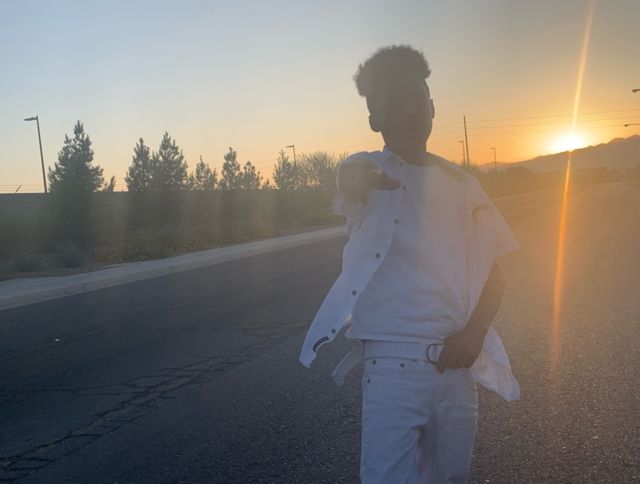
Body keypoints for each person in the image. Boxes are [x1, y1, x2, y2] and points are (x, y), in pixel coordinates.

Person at [299, 45, 520, 483]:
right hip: (391, 370)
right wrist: (355, 180)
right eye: (392, 102)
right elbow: (349, 179)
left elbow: (495, 276)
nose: (408, 110)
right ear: (374, 119)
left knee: (451, 477)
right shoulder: (371, 173)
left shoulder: (463, 186)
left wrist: (475, 334)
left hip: (457, 369)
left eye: (416, 98)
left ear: (432, 107)